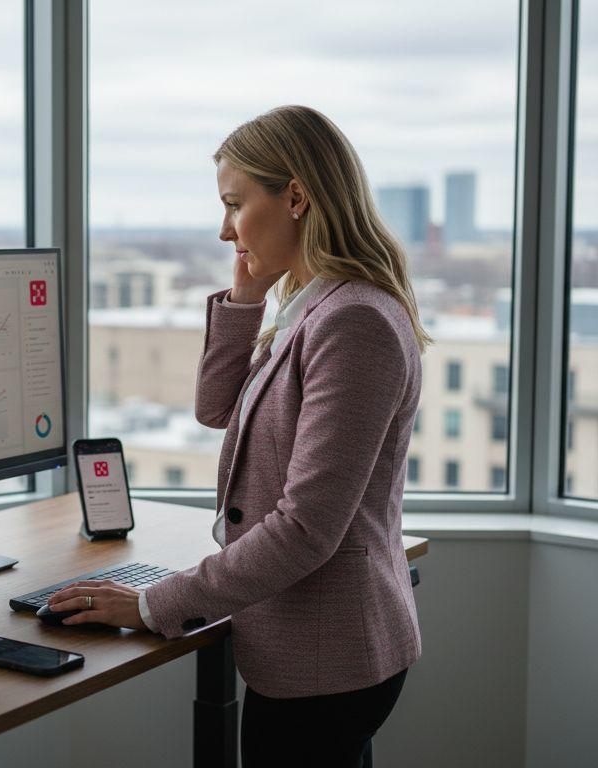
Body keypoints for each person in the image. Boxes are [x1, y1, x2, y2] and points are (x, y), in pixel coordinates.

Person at [48, 104, 429, 767]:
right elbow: (216, 407)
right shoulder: (314, 304)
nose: (225, 230)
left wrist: (151, 606)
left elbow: (307, 529)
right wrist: (246, 300)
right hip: (310, 648)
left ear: (298, 197)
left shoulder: (352, 321)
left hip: (326, 660)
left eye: (234, 205)